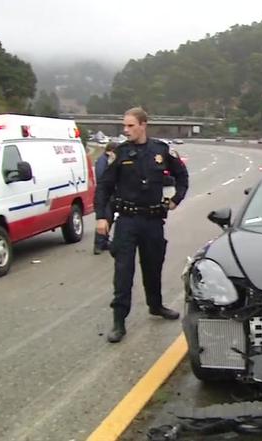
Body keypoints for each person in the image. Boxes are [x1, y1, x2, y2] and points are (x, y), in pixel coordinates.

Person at [95, 107, 189, 343]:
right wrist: (101, 217)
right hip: (127, 220)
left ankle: (155, 306)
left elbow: (182, 176)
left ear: (143, 125)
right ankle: (119, 322)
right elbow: (104, 187)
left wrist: (176, 199)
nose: (126, 130)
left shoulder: (161, 150)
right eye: (124, 126)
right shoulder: (120, 152)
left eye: (130, 125)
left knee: (153, 266)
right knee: (123, 272)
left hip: (153, 220)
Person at [93, 142, 118, 255]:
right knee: (105, 218)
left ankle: (104, 241)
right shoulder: (103, 161)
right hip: (105, 195)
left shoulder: (107, 160)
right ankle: (98, 244)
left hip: (111, 195)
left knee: (110, 218)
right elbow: (101, 177)